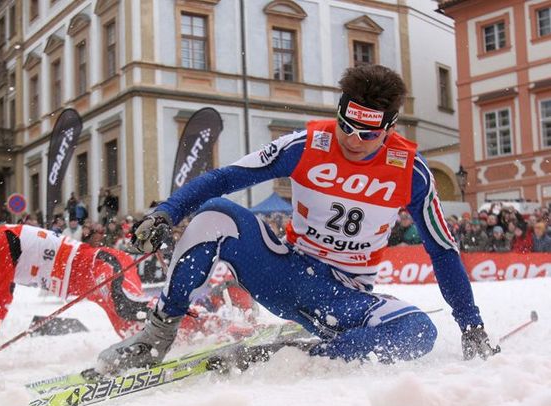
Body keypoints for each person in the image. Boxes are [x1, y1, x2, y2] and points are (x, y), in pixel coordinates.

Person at [94, 64, 498, 375]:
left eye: (367, 134)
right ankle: (156, 335)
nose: (353, 140)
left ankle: (300, 355)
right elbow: (226, 177)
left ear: (389, 128)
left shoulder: (411, 171)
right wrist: (167, 211)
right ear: (339, 112)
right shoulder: (306, 145)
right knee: (215, 215)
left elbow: (442, 250)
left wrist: (471, 325)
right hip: (287, 272)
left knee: (419, 331)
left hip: (342, 296)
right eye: (347, 126)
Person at [0, 217, 152, 371]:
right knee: (131, 330)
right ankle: (181, 341)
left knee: (131, 309)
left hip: (103, 266)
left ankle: (181, 315)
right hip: (93, 282)